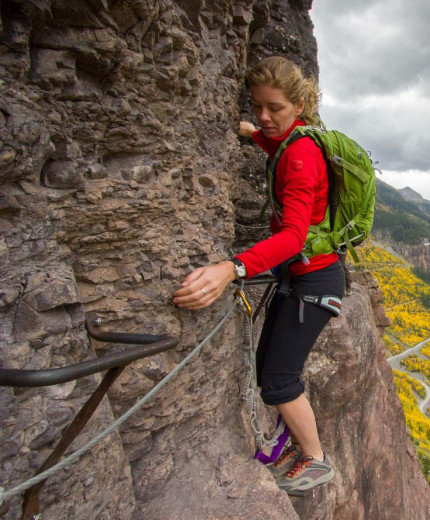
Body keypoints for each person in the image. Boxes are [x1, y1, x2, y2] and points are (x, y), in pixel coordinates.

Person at [172, 56, 344, 496]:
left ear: (299, 105)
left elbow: (293, 236)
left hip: (311, 284)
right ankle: (297, 448)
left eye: (274, 108)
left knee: (280, 380)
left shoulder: (302, 156)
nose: (264, 117)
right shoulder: (293, 142)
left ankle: (317, 460)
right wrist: (255, 137)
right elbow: (279, 147)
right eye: (257, 107)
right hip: (303, 280)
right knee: (270, 373)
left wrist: (231, 268)